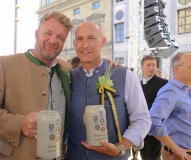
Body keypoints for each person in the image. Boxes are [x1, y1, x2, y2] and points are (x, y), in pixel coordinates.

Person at [0, 11, 73, 160]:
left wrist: (110, 65)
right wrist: (19, 123)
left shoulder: (66, 68)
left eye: (60, 37)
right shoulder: (5, 64)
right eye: (48, 33)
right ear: (36, 34)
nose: (53, 41)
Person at [66, 22, 151, 159]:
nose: (85, 45)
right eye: (80, 39)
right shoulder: (68, 78)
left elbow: (142, 119)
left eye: (92, 38)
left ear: (103, 41)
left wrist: (120, 147)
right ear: (74, 43)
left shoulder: (125, 75)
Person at [149, 52, 191, 160]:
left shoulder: (186, 90)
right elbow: (153, 120)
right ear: (177, 69)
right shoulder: (170, 91)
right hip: (180, 155)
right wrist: (175, 148)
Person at [134, 55, 167, 160]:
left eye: (154, 65)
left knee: (154, 155)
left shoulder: (163, 83)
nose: (152, 68)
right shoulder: (137, 84)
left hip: (155, 126)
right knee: (143, 154)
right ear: (142, 67)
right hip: (141, 126)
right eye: (148, 65)